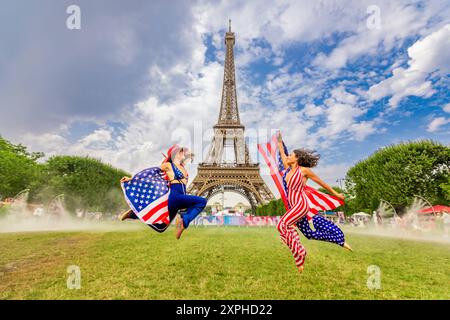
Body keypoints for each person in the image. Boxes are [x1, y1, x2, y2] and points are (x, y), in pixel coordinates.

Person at [276, 131, 349, 273]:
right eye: (289, 155)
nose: (289, 156)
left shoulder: (304, 171)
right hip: (293, 206)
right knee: (306, 233)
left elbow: (322, 183)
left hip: (300, 205)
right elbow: (281, 150)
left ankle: (300, 252)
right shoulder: (287, 168)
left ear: (296, 159)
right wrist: (279, 139)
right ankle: (302, 254)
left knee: (282, 224)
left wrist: (336, 194)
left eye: (291, 155)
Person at [119, 145, 207, 239]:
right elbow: (150, 172)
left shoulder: (182, 167)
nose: (182, 153)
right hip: (175, 197)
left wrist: (190, 155)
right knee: (202, 201)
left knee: (161, 227)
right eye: (180, 151)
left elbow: (187, 155)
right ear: (174, 154)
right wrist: (131, 178)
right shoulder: (168, 165)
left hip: (180, 199)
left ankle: (134, 214)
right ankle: (184, 220)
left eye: (182, 151)